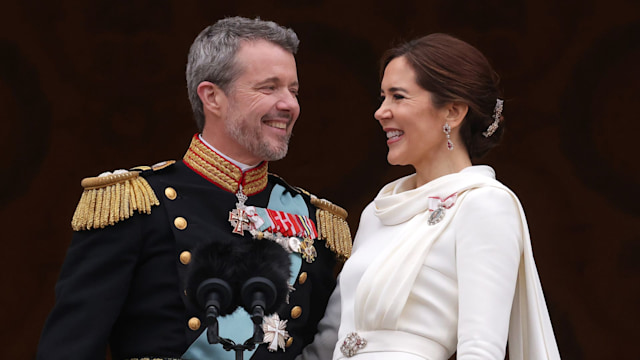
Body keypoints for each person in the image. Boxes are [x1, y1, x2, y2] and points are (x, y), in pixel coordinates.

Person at [37, 16, 352, 360]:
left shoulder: (313, 220)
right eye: (269, 88)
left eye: (293, 90)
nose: (289, 105)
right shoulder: (139, 204)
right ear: (212, 97)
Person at [300, 33, 560, 360]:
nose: (381, 112)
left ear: (452, 112)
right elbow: (330, 340)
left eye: (398, 97)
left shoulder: (483, 204)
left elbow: (480, 350)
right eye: (382, 97)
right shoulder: (378, 211)